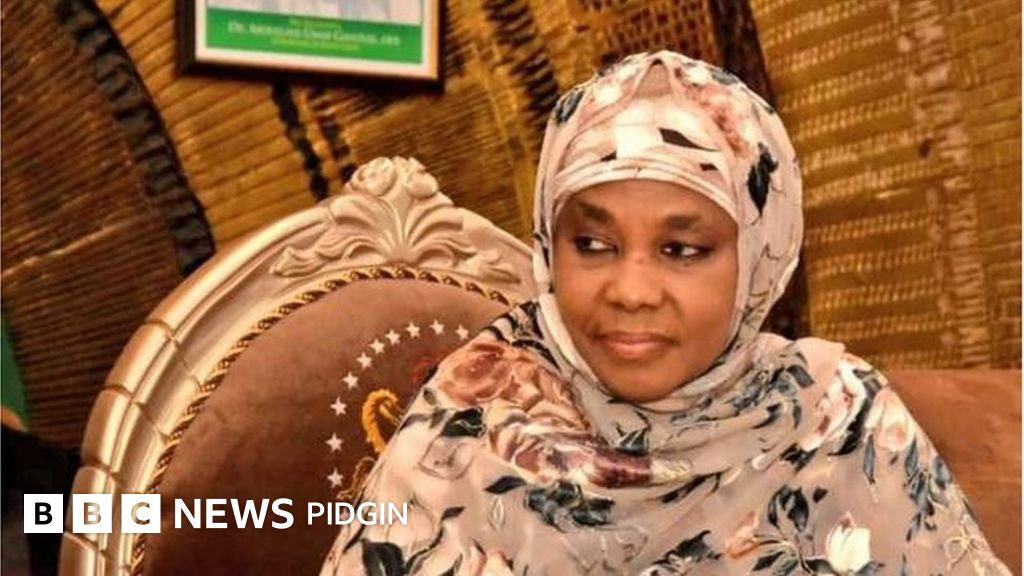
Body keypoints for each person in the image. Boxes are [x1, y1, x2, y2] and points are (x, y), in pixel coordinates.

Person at [319, 50, 1010, 575]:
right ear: (549, 248)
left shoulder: (836, 418)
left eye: (682, 249)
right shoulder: (472, 420)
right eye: (593, 244)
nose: (632, 290)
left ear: (758, 259)